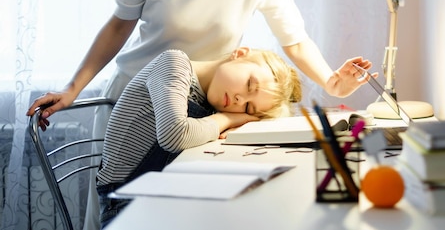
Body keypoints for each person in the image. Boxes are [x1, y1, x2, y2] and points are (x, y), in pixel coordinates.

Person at [27, 0, 375, 230]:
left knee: (193, 216)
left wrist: (330, 81)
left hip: (204, 108)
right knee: (122, 219)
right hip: (136, 104)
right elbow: (117, 26)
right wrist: (73, 88)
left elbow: (294, 40)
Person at [96, 47, 301, 227]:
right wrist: (228, 118)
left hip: (162, 199)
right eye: (249, 85)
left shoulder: (211, 102)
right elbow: (174, 135)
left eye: (248, 107)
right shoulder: (174, 63)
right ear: (239, 54)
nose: (240, 100)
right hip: (126, 206)